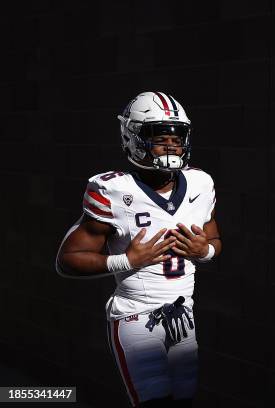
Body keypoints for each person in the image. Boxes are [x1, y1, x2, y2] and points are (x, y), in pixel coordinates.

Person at [55, 91, 221, 407]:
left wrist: (205, 251)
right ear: (132, 137)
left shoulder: (200, 184)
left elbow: (214, 241)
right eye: (159, 136)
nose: (171, 145)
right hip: (136, 317)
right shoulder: (114, 189)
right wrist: (126, 260)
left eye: (177, 137)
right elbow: (68, 260)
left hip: (183, 316)